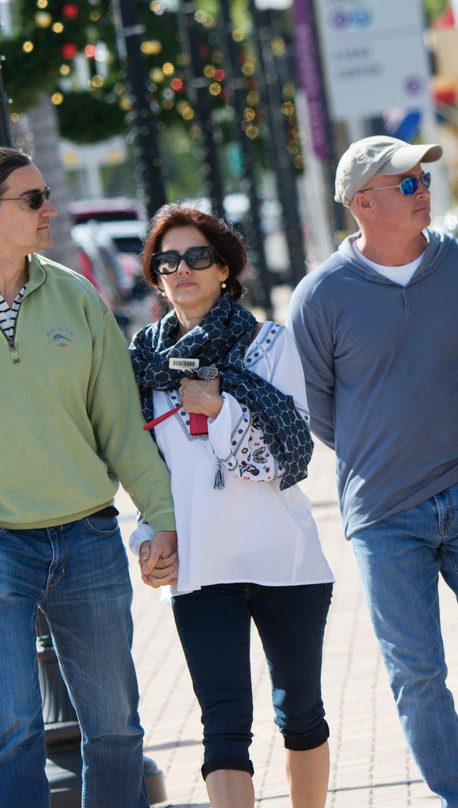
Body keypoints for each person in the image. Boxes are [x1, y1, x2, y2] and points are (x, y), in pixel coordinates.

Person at [287, 135, 458, 808]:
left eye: (423, 175)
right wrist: (385, 450)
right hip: (383, 513)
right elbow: (317, 405)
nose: (422, 186)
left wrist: (455, 431)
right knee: (416, 672)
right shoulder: (320, 296)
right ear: (362, 202)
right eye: (405, 181)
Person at [129, 205, 334, 808]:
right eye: (167, 261)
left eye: (196, 257)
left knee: (301, 716)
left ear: (224, 268)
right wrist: (146, 537)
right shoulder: (142, 362)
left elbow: (291, 455)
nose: (181, 270)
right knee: (222, 729)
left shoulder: (270, 343)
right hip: (201, 567)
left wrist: (221, 409)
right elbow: (144, 470)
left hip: (284, 560)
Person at [0, 148, 178, 807]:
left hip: (86, 540)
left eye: (45, 194)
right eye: (30, 199)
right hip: (1, 548)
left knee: (114, 729)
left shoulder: (76, 298)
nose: (48, 209)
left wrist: (162, 516)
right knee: (11, 727)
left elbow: (121, 426)